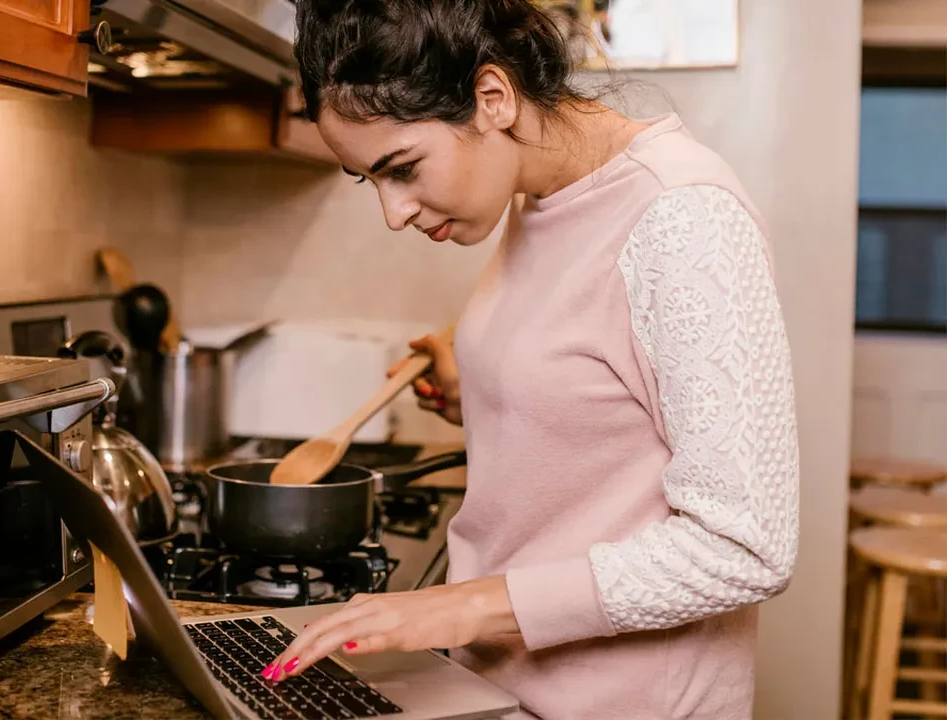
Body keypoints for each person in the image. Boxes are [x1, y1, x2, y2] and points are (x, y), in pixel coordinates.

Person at [263, 1, 801, 718]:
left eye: (403, 167)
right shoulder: (539, 193)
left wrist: (458, 609)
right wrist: (481, 388)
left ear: (493, 98)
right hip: (501, 691)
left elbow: (745, 547)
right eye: (371, 180)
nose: (395, 213)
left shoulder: (683, 217)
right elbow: (608, 405)